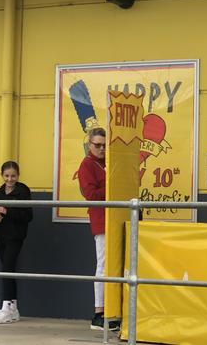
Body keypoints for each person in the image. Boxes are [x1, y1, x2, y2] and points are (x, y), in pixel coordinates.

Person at [77, 127, 119, 331]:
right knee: (102, 265)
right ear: (89, 145)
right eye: (97, 145)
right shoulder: (87, 165)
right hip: (102, 219)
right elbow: (91, 195)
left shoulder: (105, 163)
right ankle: (99, 313)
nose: (102, 148)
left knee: (114, 266)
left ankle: (111, 311)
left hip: (115, 218)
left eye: (104, 145)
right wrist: (113, 186)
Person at [0, 161, 33, 324]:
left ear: (18, 175)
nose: (10, 179)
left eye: (13, 176)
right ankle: (13, 308)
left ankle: (6, 307)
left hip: (16, 236)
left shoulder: (23, 191)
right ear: (2, 176)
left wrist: (8, 211)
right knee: (8, 269)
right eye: (7, 176)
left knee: (7, 269)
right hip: (2, 236)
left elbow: (28, 216)